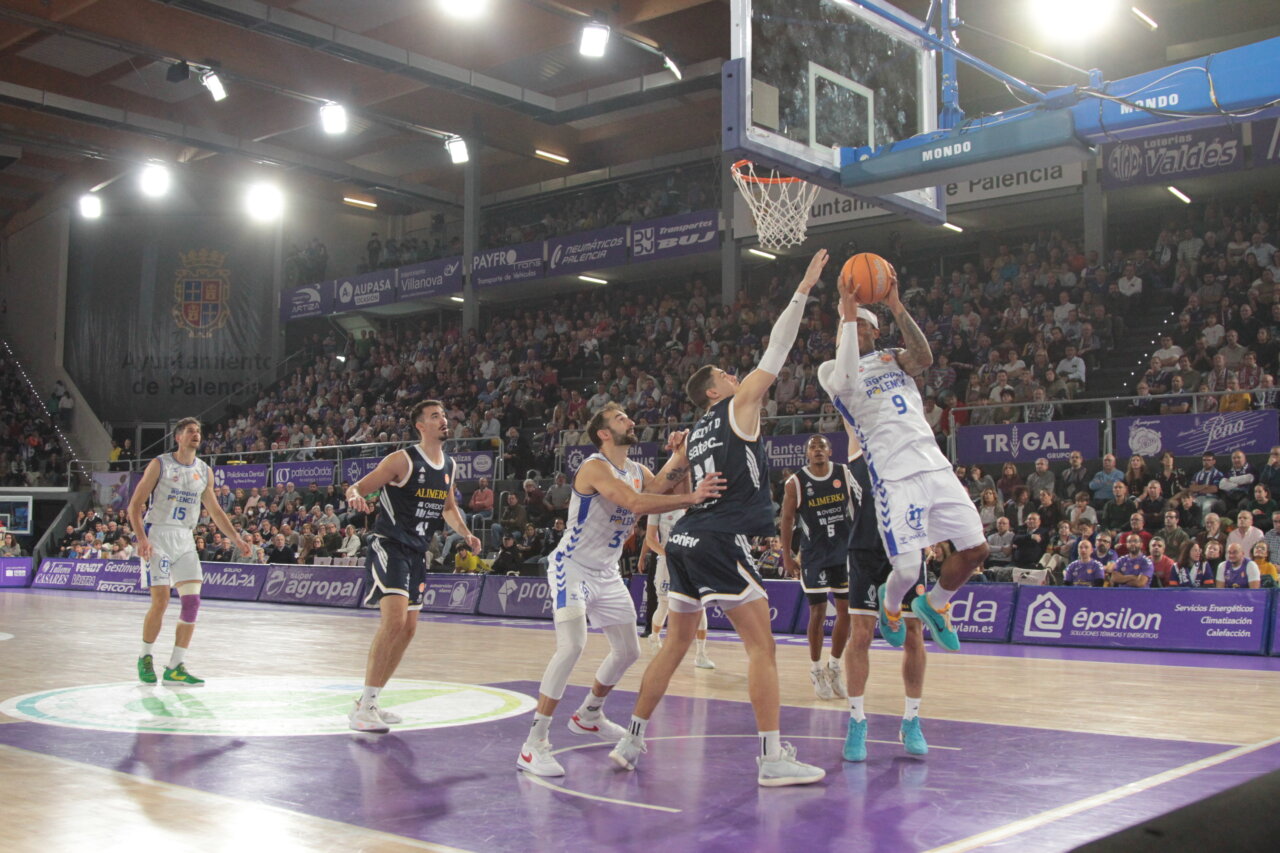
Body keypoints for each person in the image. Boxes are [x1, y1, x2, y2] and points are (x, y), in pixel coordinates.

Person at [609, 249, 831, 788]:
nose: (737, 376)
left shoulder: (698, 427)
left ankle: (631, 740)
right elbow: (778, 349)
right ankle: (772, 758)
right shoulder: (736, 408)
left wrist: (678, 461)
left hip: (684, 539)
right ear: (715, 391)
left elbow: (660, 485)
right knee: (763, 646)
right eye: (727, 375)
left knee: (677, 643)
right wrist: (802, 289)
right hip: (713, 536)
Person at [519, 404, 723, 778]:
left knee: (629, 649)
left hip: (607, 572)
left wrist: (682, 454)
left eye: (628, 416)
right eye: (621, 419)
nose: (630, 420)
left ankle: (589, 714)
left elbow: (665, 485)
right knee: (572, 645)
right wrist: (690, 497)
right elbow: (636, 503)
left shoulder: (636, 470)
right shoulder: (594, 466)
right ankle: (534, 745)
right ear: (604, 434)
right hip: (572, 567)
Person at [817, 260, 988, 657]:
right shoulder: (830, 369)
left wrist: (895, 304)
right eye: (849, 324)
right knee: (908, 570)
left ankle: (937, 603)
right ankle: (890, 607)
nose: (855, 327)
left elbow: (924, 358)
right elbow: (845, 382)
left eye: (862, 323)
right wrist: (845, 316)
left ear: (876, 331)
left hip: (934, 465)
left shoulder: (894, 356)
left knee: (976, 549)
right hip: (894, 477)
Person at [344, 400, 481, 733]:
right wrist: (353, 497)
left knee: (408, 629)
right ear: (420, 425)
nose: (443, 420)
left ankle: (370, 702)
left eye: (445, 415)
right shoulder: (402, 460)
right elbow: (357, 487)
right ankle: (365, 706)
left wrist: (466, 533)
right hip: (390, 545)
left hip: (419, 552)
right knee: (393, 622)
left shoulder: (448, 464)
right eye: (435, 416)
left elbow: (448, 507)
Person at [127, 417, 251, 686]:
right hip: (158, 534)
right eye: (190, 431)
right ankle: (145, 657)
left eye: (198, 431)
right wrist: (141, 538)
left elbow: (216, 511)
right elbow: (134, 505)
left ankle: (175, 666)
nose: (196, 435)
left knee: (192, 602)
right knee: (160, 602)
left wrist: (237, 538)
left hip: (185, 537)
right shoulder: (160, 464)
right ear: (178, 437)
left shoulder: (204, 470)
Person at [840, 432, 930, 762]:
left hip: (905, 549)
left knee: (914, 635)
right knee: (861, 635)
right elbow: (848, 404)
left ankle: (912, 720)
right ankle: (857, 720)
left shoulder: (912, 451)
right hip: (864, 550)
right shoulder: (861, 446)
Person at [780, 434, 853, 701]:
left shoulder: (844, 474)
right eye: (813, 447)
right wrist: (787, 556)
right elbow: (786, 520)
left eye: (822, 446)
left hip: (842, 553)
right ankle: (815, 669)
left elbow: (859, 506)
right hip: (814, 555)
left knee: (846, 612)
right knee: (818, 612)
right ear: (807, 454)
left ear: (830, 451)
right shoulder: (796, 482)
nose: (818, 450)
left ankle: (834, 666)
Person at [644, 506, 715, 670]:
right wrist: (670, 556)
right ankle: (654, 637)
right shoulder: (658, 507)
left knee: (700, 606)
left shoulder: (698, 505)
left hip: (692, 562)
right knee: (664, 605)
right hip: (667, 561)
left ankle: (701, 654)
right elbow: (650, 539)